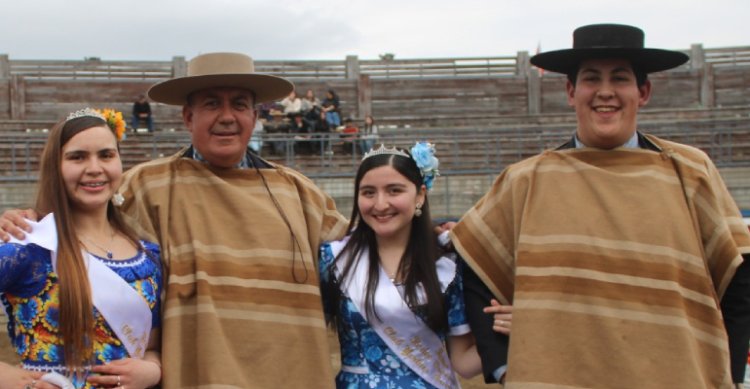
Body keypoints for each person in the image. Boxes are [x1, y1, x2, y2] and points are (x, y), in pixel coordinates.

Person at [0, 52, 350, 388]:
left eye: (239, 104)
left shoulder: (302, 194)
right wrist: (32, 222)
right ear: (188, 117)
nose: (227, 116)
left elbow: (364, 259)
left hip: (289, 377)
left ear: (255, 116)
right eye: (212, 103)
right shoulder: (148, 186)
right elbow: (82, 225)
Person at [450, 24, 750, 388]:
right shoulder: (526, 180)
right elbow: (474, 267)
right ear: (571, 91)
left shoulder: (691, 171)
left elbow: (738, 279)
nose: (605, 92)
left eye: (619, 78)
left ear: (643, 91)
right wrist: (502, 366)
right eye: (592, 79)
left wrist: (729, 375)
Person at [0, 108, 162, 389]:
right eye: (78, 157)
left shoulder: (148, 257)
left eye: (106, 155)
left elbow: (152, 345)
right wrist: (9, 379)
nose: (95, 168)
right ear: (56, 167)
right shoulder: (30, 246)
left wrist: (153, 370)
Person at [320, 142, 505, 388]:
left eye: (394, 190)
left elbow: (463, 363)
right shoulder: (332, 258)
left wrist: (515, 331)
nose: (380, 203)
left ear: (420, 195)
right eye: (368, 192)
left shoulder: (449, 262)